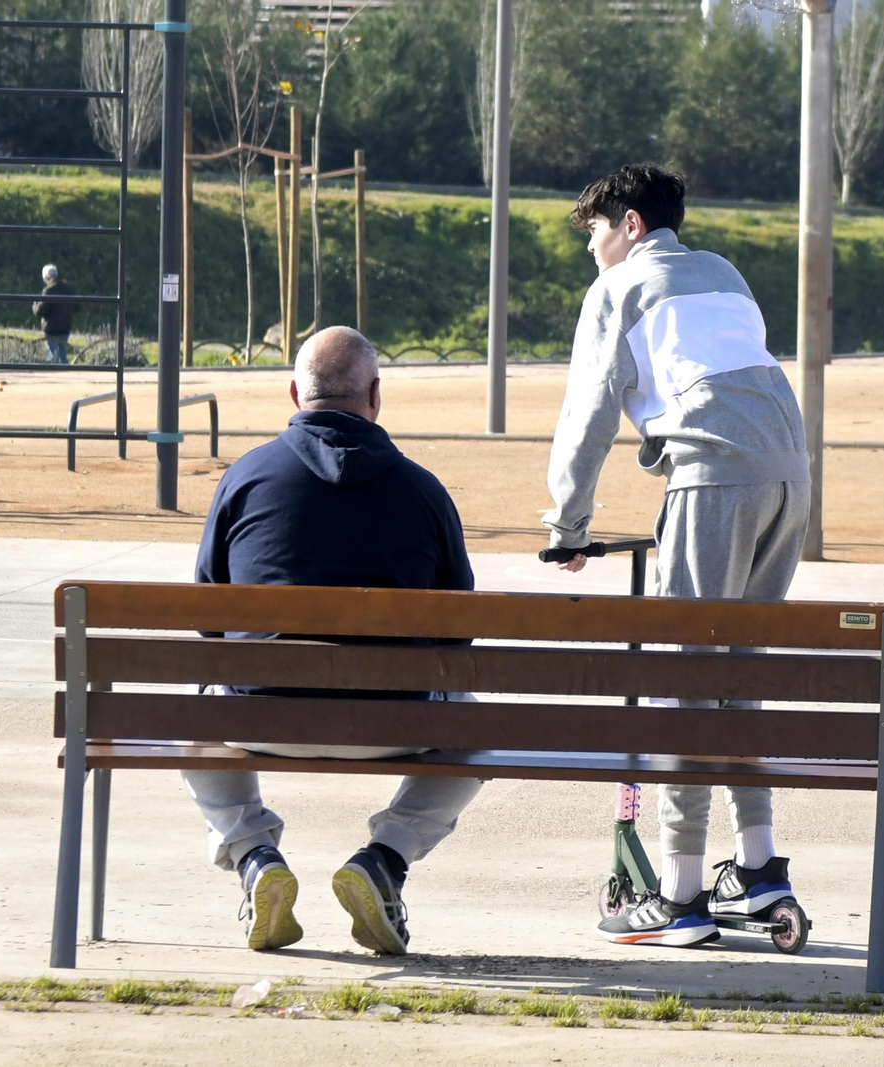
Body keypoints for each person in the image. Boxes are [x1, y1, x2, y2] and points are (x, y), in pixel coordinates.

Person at [543, 164, 810, 947]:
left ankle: (682, 891)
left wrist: (567, 525)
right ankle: (758, 868)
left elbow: (588, 411)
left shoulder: (619, 288)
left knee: (685, 682)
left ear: (629, 224)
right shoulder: (724, 272)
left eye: (594, 232)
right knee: (740, 673)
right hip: (789, 474)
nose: (591, 250)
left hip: (714, 475)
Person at [185, 325, 482, 955]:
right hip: (393, 723)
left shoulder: (245, 478)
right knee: (476, 728)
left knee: (195, 704)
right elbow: (461, 633)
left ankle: (254, 856)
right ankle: (385, 859)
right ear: (375, 396)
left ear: (295, 393)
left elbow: (207, 619)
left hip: (258, 714)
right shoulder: (422, 490)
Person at [32, 264, 78, 364]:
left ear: (47, 278)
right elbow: (78, 307)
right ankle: (66, 373)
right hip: (66, 326)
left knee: (53, 357)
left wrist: (35, 305)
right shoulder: (69, 288)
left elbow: (40, 311)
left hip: (51, 328)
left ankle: (55, 374)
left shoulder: (48, 290)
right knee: (63, 354)